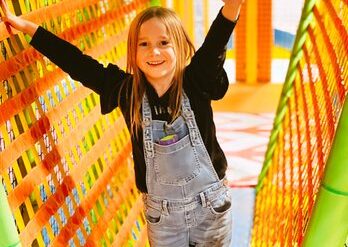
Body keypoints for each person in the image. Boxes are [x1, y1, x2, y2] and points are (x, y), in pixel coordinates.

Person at [1, 0, 243, 246]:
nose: (154, 52)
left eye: (163, 43)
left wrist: (232, 7)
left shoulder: (195, 81)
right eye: (144, 44)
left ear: (179, 46)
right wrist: (28, 28)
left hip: (210, 208)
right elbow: (77, 63)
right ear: (133, 51)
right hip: (164, 218)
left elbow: (215, 44)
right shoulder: (127, 91)